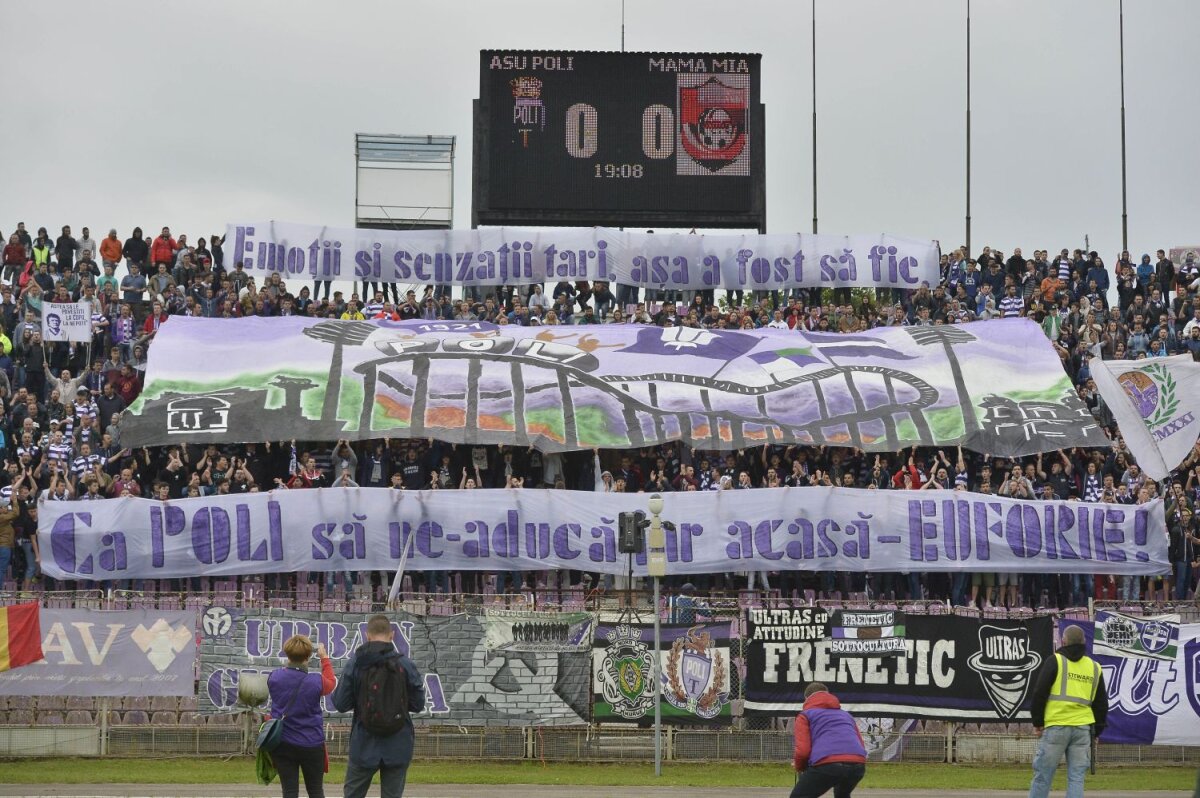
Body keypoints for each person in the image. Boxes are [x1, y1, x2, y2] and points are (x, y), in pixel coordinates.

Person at [332, 614, 425, 798]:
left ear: (367, 635)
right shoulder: (405, 664)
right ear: (392, 635)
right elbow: (418, 704)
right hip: (398, 743)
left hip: (364, 743)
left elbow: (341, 704)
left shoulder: (356, 664)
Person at [1027, 624, 1108, 798]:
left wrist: (1038, 723)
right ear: (1084, 641)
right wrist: (1097, 731)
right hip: (1082, 729)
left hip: (1057, 726)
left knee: (1043, 776)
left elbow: (1039, 692)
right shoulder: (1095, 667)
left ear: (1063, 641)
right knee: (1076, 778)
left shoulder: (1055, 661)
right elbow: (1101, 704)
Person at [266, 634, 335, 798]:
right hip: (311, 742)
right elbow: (331, 683)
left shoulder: (274, 677)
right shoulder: (316, 681)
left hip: (283, 742)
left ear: (287, 654)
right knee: (316, 791)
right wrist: (324, 658)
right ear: (308, 656)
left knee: (289, 792)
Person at [791, 682, 867, 798]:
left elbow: (803, 751)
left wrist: (799, 766)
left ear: (806, 699)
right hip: (857, 765)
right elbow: (861, 745)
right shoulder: (846, 715)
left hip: (828, 765)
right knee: (842, 794)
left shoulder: (805, 715)